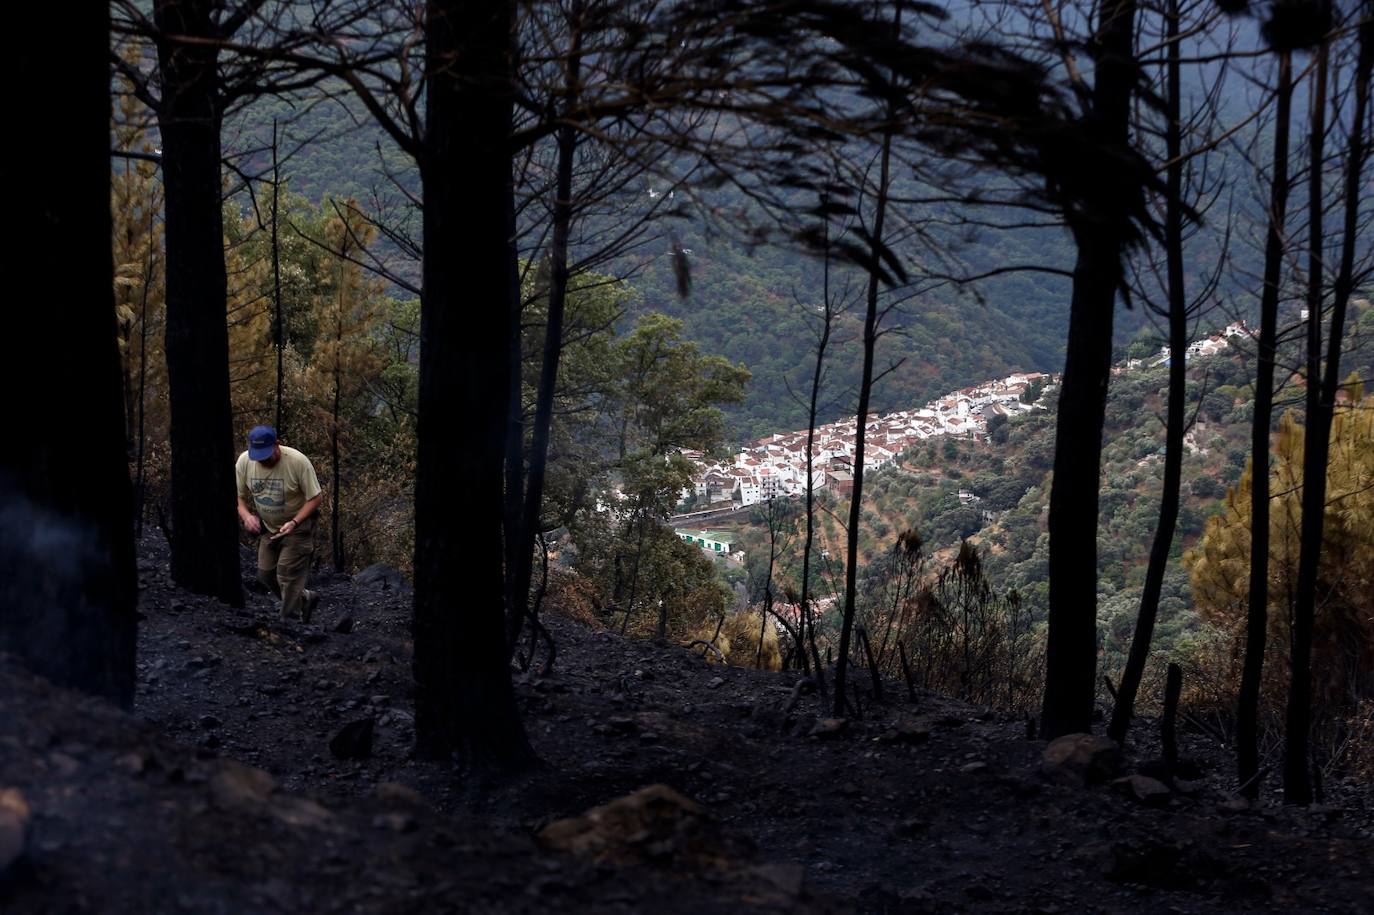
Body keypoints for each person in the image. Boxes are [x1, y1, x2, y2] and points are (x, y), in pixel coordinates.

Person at [235, 425, 323, 622]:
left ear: (276, 445)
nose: (263, 460)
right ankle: (304, 599)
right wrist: (247, 516)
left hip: (298, 527)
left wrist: (294, 521)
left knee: (286, 573)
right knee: (265, 575)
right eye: (258, 456)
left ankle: (291, 621)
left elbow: (315, 498)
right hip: (269, 528)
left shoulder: (297, 462)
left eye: (266, 455)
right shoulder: (244, 462)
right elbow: (238, 497)